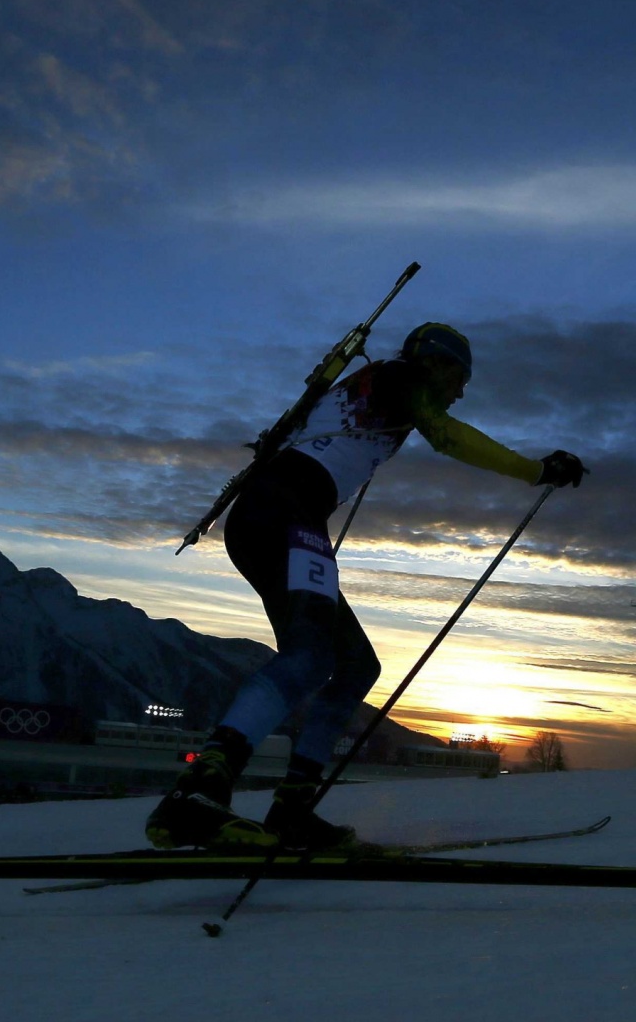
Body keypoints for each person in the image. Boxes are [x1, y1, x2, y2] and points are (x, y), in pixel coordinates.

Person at [146, 322, 585, 852]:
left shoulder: (375, 381)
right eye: (460, 376)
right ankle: (200, 790)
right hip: (286, 514)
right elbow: (446, 434)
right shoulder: (401, 378)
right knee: (310, 658)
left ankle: (290, 808)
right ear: (436, 363)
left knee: (354, 665)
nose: (461, 390)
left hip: (274, 516)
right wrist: (536, 470)